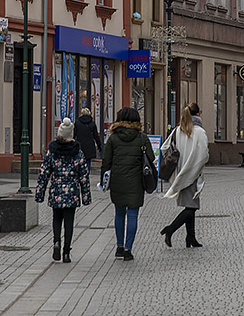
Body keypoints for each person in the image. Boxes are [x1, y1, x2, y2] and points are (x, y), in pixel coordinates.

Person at [100, 106, 157, 261]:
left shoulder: (113, 138)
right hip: (136, 183)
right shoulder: (142, 138)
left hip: (117, 181)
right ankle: (128, 249)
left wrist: (103, 181)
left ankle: (118, 246)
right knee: (132, 215)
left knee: (119, 213)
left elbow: (106, 162)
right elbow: (151, 158)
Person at [35, 118, 92, 262]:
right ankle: (66, 252)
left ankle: (56, 243)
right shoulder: (78, 153)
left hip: (56, 192)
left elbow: (44, 173)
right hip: (72, 192)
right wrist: (86, 196)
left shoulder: (52, 152)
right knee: (69, 222)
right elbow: (84, 176)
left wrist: (40, 194)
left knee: (56, 218)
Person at [159, 106, 210, 248]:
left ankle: (190, 238)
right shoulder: (200, 132)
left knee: (190, 205)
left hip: (180, 172)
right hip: (193, 172)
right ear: (198, 114)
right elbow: (204, 154)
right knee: (191, 208)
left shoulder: (178, 130)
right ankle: (170, 229)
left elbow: (164, 148)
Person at [75, 107, 103, 176]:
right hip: (89, 145)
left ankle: (80, 174)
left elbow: (74, 134)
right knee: (88, 161)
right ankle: (87, 174)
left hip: (80, 144)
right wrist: (99, 145)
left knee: (79, 160)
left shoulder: (77, 122)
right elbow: (96, 136)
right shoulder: (92, 123)